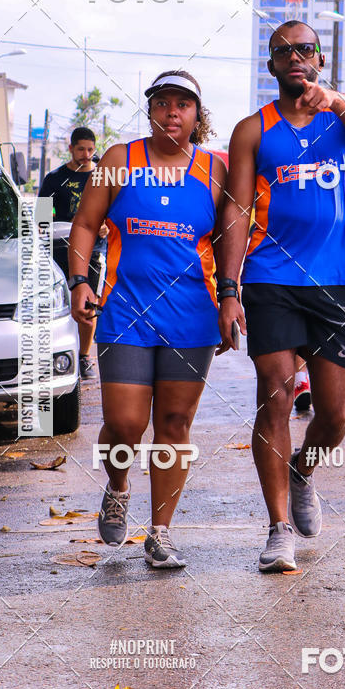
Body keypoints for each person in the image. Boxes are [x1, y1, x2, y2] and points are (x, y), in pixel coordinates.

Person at [216, 20, 345, 572]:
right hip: (270, 278)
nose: (295, 57)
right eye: (283, 51)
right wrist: (229, 290)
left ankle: (303, 468)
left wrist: (330, 98)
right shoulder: (252, 131)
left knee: (334, 417)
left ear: (320, 59)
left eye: (305, 49)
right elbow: (235, 212)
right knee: (277, 393)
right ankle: (278, 528)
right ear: (271, 66)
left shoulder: (343, 118)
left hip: (334, 280)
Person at [68, 70, 226, 567]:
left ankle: (161, 532)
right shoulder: (120, 159)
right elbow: (86, 224)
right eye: (162, 103)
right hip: (125, 311)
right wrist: (79, 281)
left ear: (197, 115)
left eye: (183, 104)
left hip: (192, 316)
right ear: (151, 110)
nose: (172, 112)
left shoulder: (216, 171)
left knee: (175, 424)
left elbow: (232, 240)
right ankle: (117, 485)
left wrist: (234, 300)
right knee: (125, 422)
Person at [38, 127, 107, 380]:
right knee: (60, 305)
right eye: (81, 149)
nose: (86, 154)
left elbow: (117, 210)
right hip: (58, 251)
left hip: (94, 251)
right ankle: (59, 355)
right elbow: (41, 218)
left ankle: (84, 357)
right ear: (70, 148)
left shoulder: (103, 176)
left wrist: (107, 224)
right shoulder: (54, 179)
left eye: (90, 149)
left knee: (89, 305)